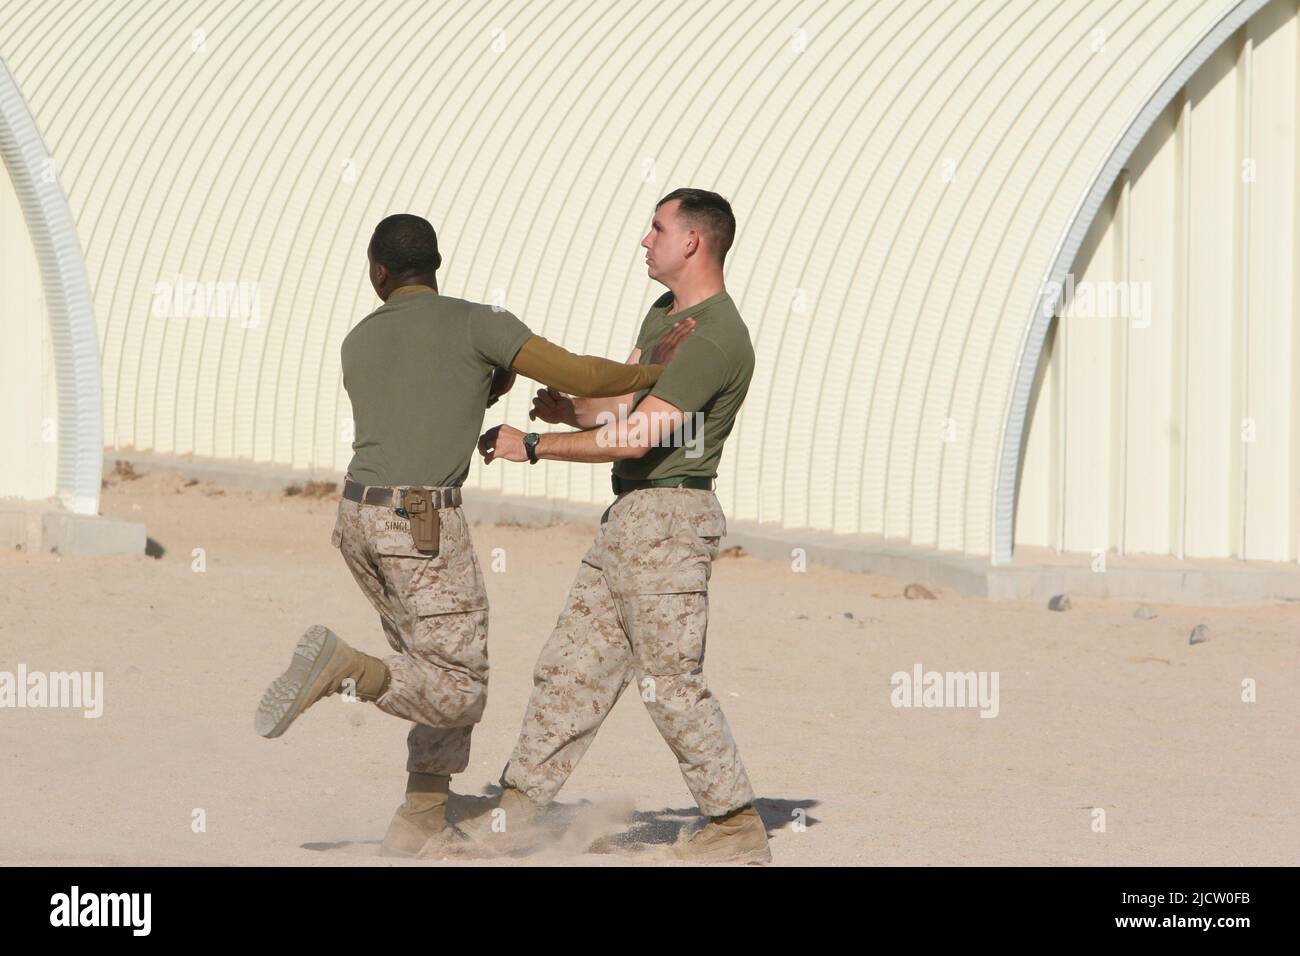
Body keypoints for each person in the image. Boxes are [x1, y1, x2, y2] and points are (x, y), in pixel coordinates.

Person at [253, 213, 694, 856]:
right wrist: (657, 374)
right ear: (436, 265)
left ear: (379, 273)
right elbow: (584, 376)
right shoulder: (477, 321)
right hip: (421, 521)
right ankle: (344, 670)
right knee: (460, 687)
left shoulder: (358, 339)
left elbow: (427, 400)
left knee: (432, 663)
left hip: (356, 518)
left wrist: (490, 381)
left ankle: (422, 813)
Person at [471, 189, 769, 864]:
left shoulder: (718, 336)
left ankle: (733, 824)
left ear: (693, 241)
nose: (645, 239)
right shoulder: (666, 315)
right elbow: (630, 407)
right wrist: (572, 410)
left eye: (657, 228)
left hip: (670, 519)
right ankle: (518, 807)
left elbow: (638, 437)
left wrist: (535, 448)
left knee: (670, 682)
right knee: (570, 667)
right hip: (630, 517)